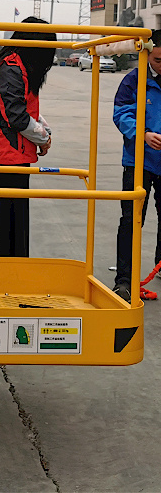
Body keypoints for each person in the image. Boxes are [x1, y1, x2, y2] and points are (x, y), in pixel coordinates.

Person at [0, 17, 56, 257]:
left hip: (14, 152)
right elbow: (16, 116)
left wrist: (45, 132)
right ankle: (5, 267)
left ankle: (11, 264)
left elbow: (25, 108)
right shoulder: (11, 68)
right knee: (7, 217)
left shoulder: (17, 66)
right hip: (8, 152)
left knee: (12, 215)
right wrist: (43, 138)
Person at [112, 30, 161, 302]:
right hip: (138, 161)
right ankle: (124, 278)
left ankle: (159, 266)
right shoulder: (134, 80)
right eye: (157, 60)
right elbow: (121, 113)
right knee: (131, 220)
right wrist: (141, 134)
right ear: (146, 54)